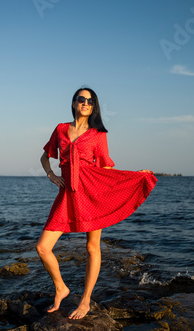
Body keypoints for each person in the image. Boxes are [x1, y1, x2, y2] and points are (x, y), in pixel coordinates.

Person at [36, 87, 157, 319]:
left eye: (90, 101)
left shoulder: (98, 133)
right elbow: (45, 156)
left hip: (92, 193)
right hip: (67, 194)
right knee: (43, 247)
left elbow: (106, 167)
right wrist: (51, 175)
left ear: (94, 106)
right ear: (73, 103)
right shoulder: (61, 129)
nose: (85, 103)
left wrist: (134, 175)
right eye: (81, 99)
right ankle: (61, 287)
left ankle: (85, 301)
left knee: (92, 247)